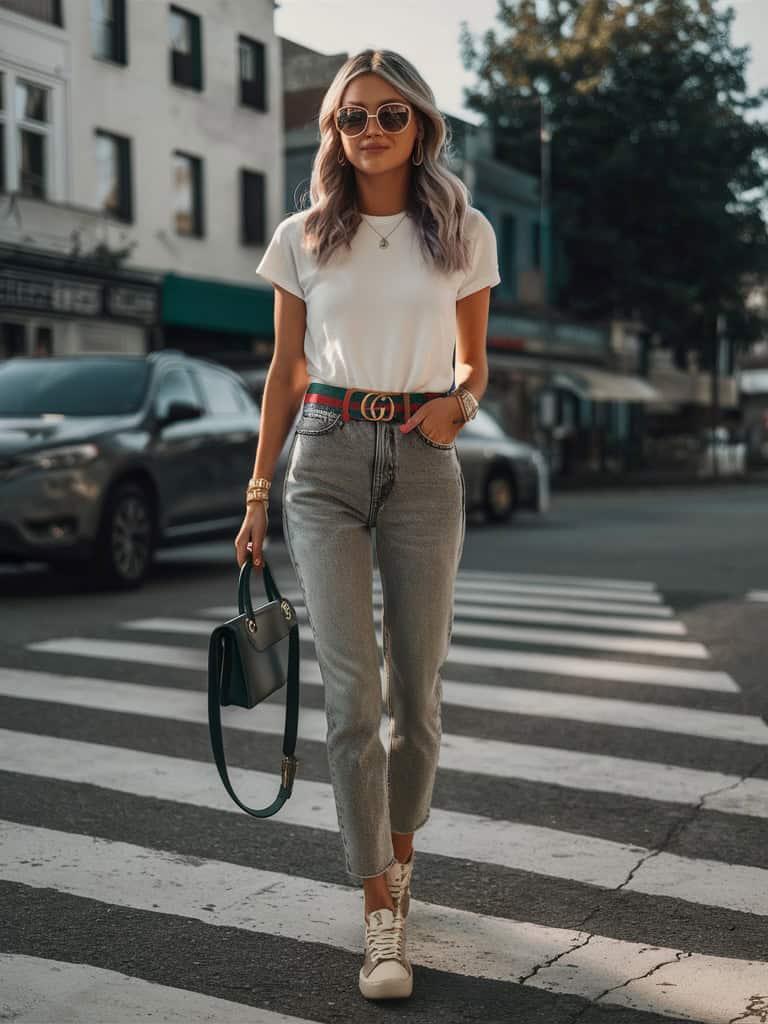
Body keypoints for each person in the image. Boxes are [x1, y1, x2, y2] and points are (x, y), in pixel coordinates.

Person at [235, 48, 500, 1000]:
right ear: (333, 133)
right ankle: (379, 913)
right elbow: (285, 373)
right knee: (352, 702)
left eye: (391, 115)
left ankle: (402, 856)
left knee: (416, 700)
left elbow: (474, 367)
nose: (372, 131)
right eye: (354, 118)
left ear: (420, 124)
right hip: (326, 461)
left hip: (425, 464)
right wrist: (259, 490)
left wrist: (457, 410)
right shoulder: (301, 236)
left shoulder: (463, 230)